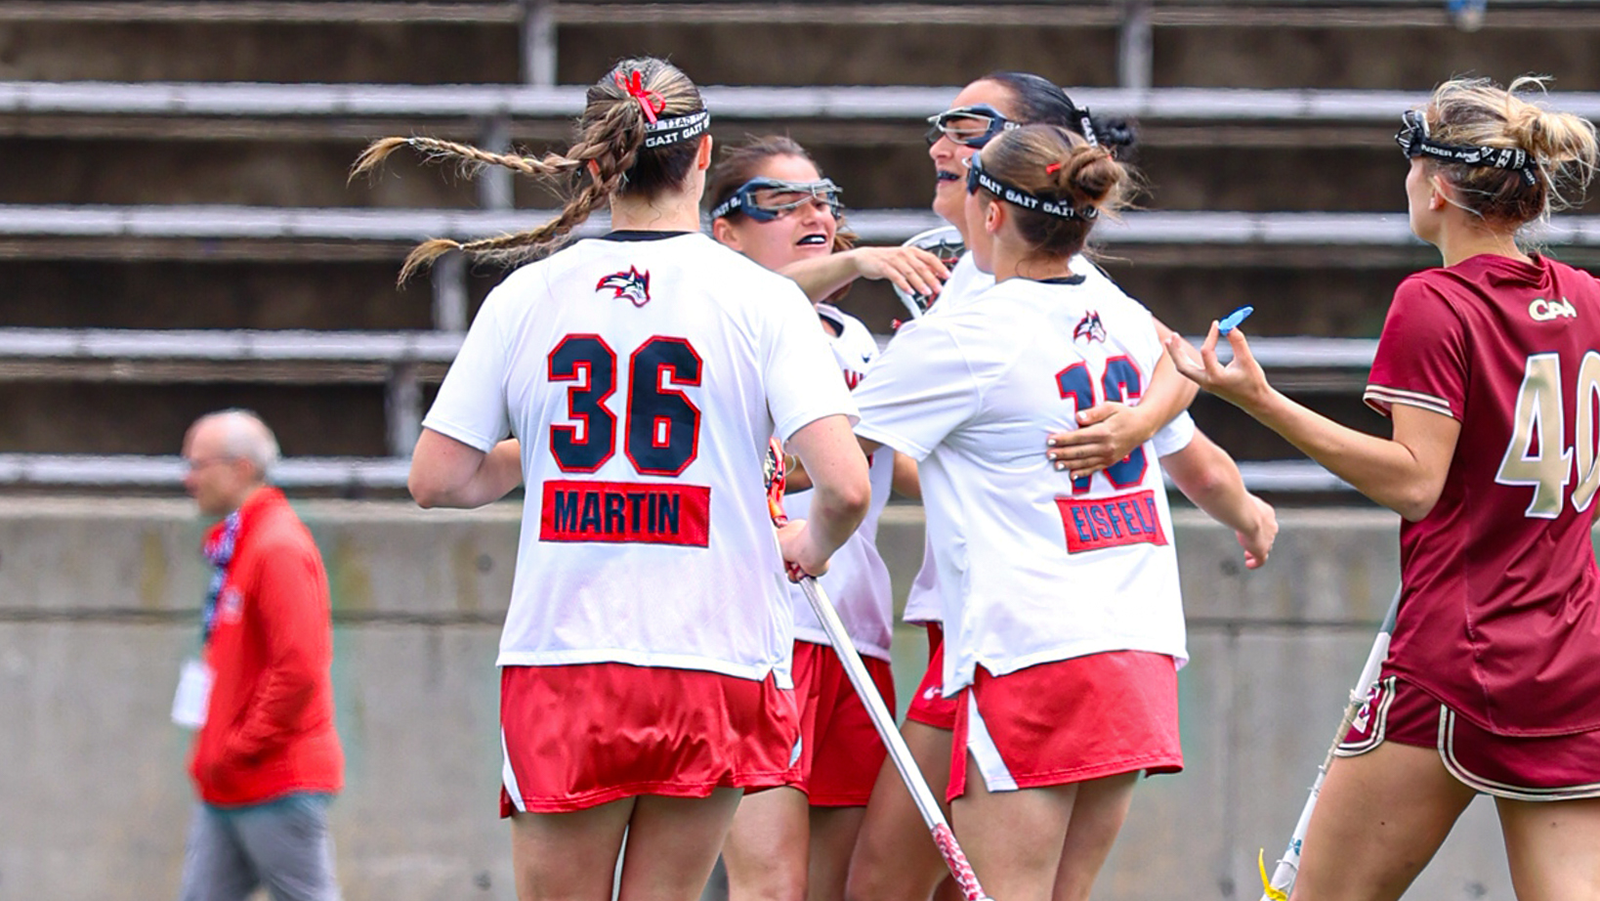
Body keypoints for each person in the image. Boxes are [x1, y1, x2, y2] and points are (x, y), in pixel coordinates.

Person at [355, 57, 871, 901]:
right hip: (715, 659)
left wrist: (552, 455)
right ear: (704, 154)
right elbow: (846, 488)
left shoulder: (528, 294)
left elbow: (438, 478)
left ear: (596, 165)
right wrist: (807, 546)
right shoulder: (767, 300)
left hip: (567, 658)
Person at [1168, 76, 1600, 901]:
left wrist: (1260, 401)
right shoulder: (1588, 300)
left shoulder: (1433, 301)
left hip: (1457, 658)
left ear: (1436, 185)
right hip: (1573, 654)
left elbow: (1414, 482)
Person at [850, 123, 1275, 901]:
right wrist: (1242, 507)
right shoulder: (1117, 307)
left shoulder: (966, 333)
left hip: (1032, 649)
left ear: (988, 214)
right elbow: (1186, 362)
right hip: (1137, 643)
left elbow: (831, 457)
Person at [706, 136, 917, 901]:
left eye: (822, 198)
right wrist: (859, 264)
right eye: (780, 202)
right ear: (725, 232)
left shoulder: (853, 339)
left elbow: (887, 464)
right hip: (767, 633)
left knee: (832, 886)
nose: (812, 213)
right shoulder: (726, 321)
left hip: (856, 633)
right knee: (771, 884)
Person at [175, 409, 343, 901]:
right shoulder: (242, 545)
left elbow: (299, 669)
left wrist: (240, 747)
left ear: (240, 468)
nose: (189, 480)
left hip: (272, 782)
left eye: (198, 465)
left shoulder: (276, 548)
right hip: (231, 784)